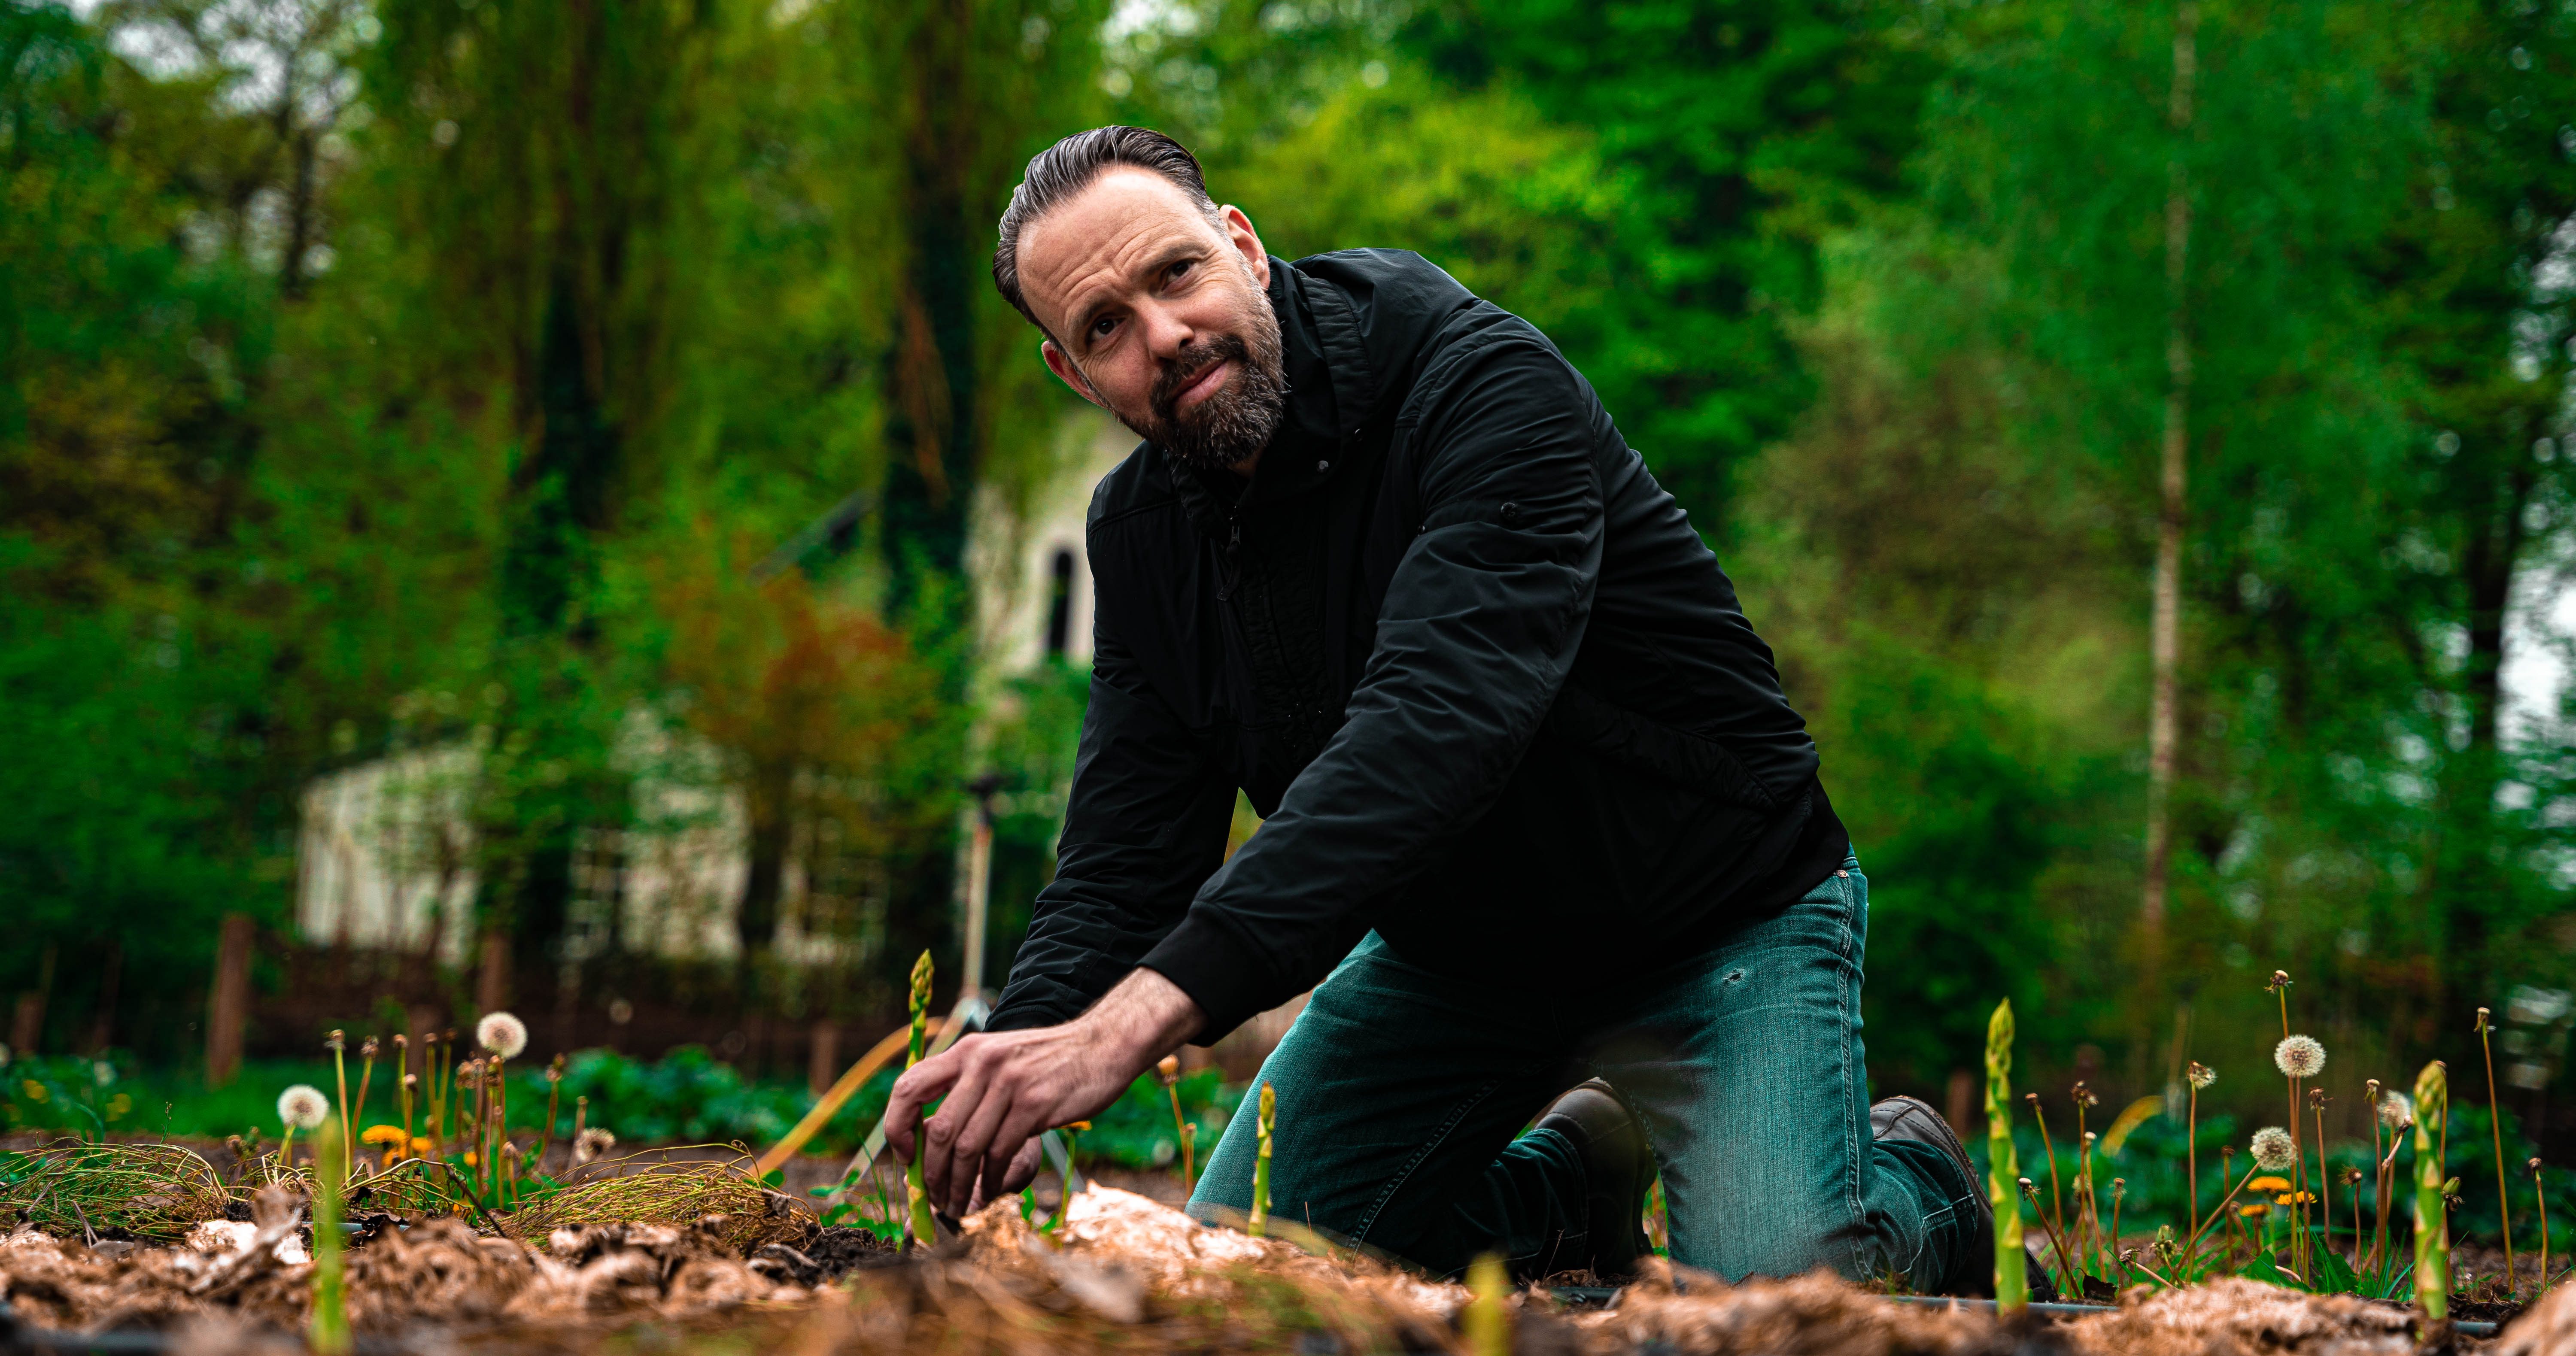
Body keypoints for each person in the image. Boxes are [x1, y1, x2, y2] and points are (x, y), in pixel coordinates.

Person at [884, 125, 2036, 1296]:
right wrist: (1015, 1050)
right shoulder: (1141, 538)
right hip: (1459, 961)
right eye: (1105, 328)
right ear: (1075, 376)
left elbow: (1434, 727)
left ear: (1244, 246)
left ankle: (1920, 1186)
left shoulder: (1478, 383)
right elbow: (1126, 853)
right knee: (1255, 1266)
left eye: (1176, 273)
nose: (1165, 335)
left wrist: (1130, 1027)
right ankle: (1568, 1188)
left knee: (1776, 1292)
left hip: (1715, 914)